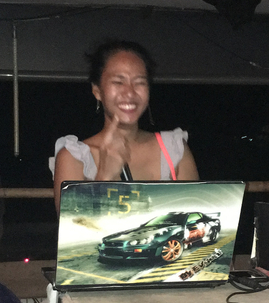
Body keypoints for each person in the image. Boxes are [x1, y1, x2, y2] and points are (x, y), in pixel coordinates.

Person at [50, 40, 199, 211]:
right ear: (97, 91)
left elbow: (195, 224)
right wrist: (105, 177)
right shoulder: (73, 156)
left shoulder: (174, 149)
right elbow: (74, 233)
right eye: (118, 82)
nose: (129, 92)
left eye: (139, 82)